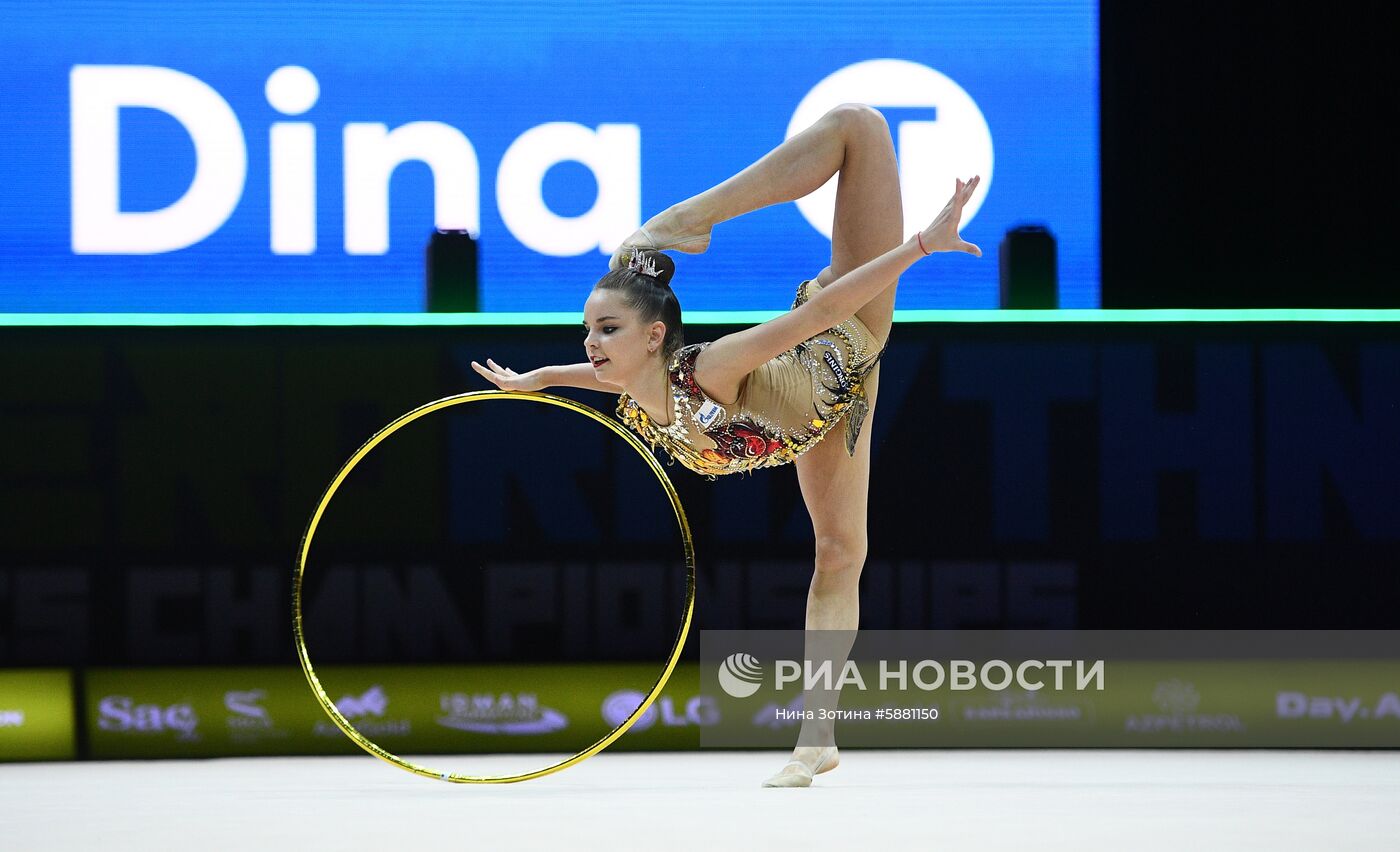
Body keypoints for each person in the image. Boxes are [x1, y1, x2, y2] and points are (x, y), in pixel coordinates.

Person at [472, 103, 981, 786]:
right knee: (839, 554)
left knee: (860, 125)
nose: (590, 345)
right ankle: (818, 739)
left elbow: (820, 315)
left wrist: (919, 246)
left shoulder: (708, 370)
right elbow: (590, 379)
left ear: (654, 337)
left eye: (608, 330)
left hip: (844, 332)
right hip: (823, 416)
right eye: (588, 330)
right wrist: (539, 379)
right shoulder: (635, 393)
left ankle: (693, 217)